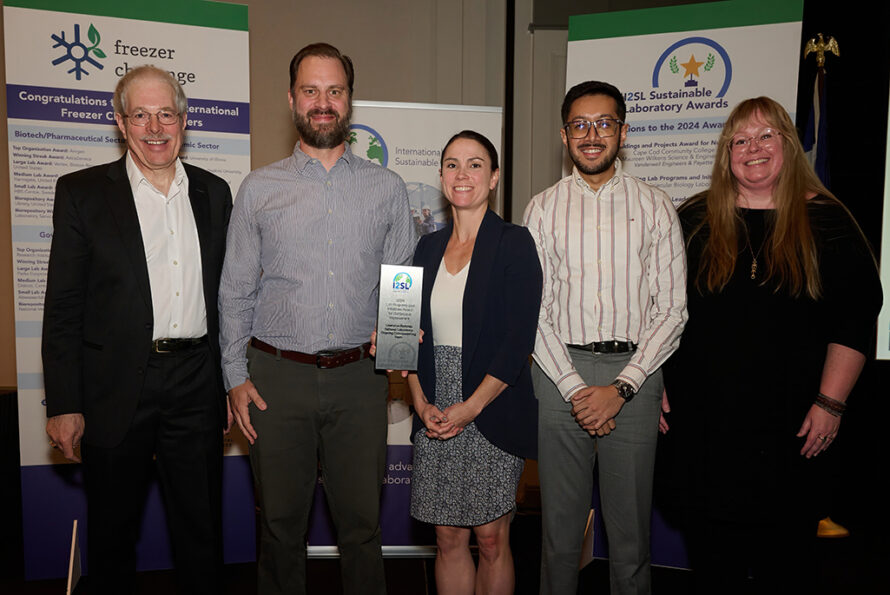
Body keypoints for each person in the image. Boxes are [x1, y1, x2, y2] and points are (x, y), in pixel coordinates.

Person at [661, 96, 882, 594]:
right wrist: (651, 382)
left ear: (788, 145)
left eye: (766, 136)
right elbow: (655, 309)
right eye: (740, 140)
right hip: (705, 434)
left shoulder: (829, 221)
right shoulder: (692, 220)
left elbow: (854, 321)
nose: (752, 149)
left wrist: (831, 402)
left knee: (790, 568)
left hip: (793, 431)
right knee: (713, 568)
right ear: (726, 154)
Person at [218, 43, 416, 595]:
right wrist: (234, 376)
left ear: (349, 101)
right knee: (280, 529)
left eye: (335, 91)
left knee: (362, 528)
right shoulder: (259, 189)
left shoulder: (387, 188)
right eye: (311, 90)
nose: (322, 102)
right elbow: (235, 289)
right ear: (291, 99)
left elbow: (400, 285)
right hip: (275, 381)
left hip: (360, 379)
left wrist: (397, 355)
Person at [42, 65, 232, 595]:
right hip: (115, 386)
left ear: (184, 121)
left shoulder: (215, 194)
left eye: (166, 113)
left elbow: (229, 297)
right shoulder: (82, 193)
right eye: (141, 115)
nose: (155, 127)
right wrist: (63, 402)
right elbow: (63, 306)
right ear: (121, 124)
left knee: (202, 535)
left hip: (196, 382)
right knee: (113, 537)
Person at [523, 80, 687, 595]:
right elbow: (535, 313)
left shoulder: (657, 206)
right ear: (564, 133)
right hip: (556, 375)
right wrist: (575, 388)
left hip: (635, 378)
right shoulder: (542, 208)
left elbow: (673, 310)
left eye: (604, 123)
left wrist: (621, 388)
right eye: (580, 124)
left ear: (622, 131)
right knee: (559, 537)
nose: (591, 135)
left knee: (631, 537)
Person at [401, 131, 542, 594]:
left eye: (475, 164)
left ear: (494, 176)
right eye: (452, 164)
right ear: (441, 176)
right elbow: (407, 338)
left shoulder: (514, 243)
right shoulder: (424, 249)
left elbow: (517, 341)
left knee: (492, 538)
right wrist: (420, 403)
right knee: (446, 537)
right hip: (434, 404)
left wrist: (470, 407)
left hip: (491, 403)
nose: (463, 174)